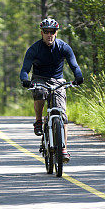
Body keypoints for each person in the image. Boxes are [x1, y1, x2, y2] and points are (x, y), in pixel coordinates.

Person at [19, 17, 84, 162]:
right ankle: (38, 121)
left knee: (62, 115)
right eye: (46, 32)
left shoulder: (63, 47)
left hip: (58, 80)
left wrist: (78, 76)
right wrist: (25, 80)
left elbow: (74, 65)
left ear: (56, 33)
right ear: (41, 33)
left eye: (52, 32)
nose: (49, 35)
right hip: (39, 78)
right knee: (40, 93)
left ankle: (64, 149)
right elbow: (25, 69)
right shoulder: (34, 49)